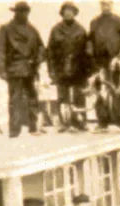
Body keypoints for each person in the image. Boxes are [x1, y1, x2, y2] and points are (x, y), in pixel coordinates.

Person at [0, 1, 46, 138]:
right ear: (15, 12)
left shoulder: (32, 29)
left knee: (32, 98)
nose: (23, 14)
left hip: (30, 69)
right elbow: (0, 50)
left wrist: (38, 59)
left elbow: (41, 48)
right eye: (20, 11)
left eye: (25, 11)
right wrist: (2, 70)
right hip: (15, 69)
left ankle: (33, 127)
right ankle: (14, 130)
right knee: (15, 100)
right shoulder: (6, 29)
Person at [88, 0, 120, 130]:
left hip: (116, 63)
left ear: (112, 5)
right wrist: (90, 53)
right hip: (100, 62)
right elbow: (90, 40)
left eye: (107, 4)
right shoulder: (94, 22)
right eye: (103, 4)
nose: (105, 6)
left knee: (119, 90)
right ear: (100, 5)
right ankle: (103, 121)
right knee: (100, 90)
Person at [47, 1, 89, 132]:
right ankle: (64, 123)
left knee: (79, 96)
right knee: (62, 97)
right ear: (62, 13)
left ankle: (80, 122)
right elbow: (50, 52)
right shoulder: (55, 30)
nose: (68, 13)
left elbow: (87, 52)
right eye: (66, 11)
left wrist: (87, 72)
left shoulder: (81, 30)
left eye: (71, 11)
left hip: (78, 69)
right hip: (61, 68)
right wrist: (52, 71)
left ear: (74, 13)